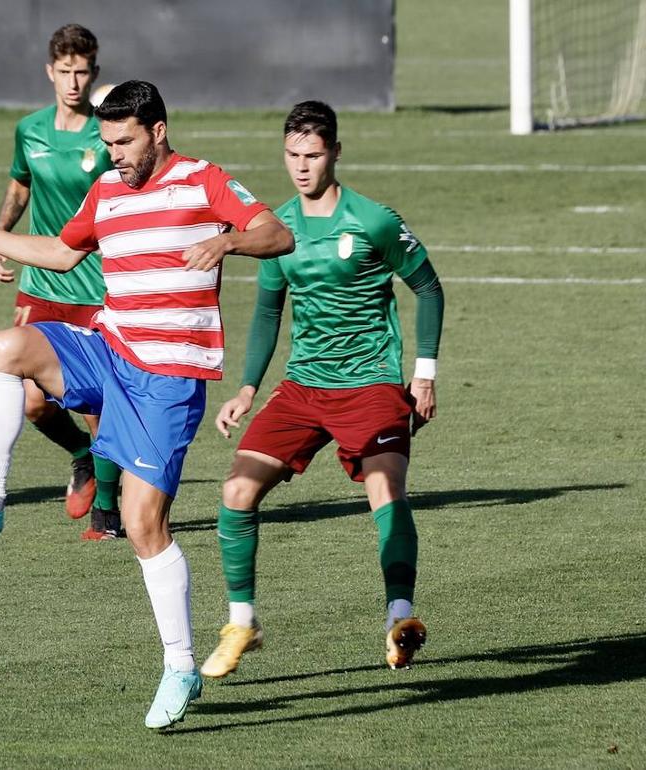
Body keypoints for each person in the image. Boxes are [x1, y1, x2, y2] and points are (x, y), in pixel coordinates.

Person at [0, 81, 294, 728]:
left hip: (168, 379)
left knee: (145, 525)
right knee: (4, 347)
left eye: (125, 141)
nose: (114, 153)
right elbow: (62, 253)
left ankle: (179, 666)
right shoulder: (108, 190)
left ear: (159, 131)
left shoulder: (205, 181)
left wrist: (227, 242)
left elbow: (276, 233)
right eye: (108, 142)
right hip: (110, 347)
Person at [199, 101, 444, 680]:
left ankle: (399, 618)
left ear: (335, 152)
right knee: (236, 491)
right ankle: (241, 623)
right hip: (303, 388)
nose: (302, 167)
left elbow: (429, 289)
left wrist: (425, 372)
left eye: (313, 155)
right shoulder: (275, 231)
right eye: (292, 156)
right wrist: (247, 388)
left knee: (384, 487)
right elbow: (266, 313)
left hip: (372, 385)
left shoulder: (374, 220)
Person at [0, 24, 123, 539]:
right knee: (32, 400)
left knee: (95, 403)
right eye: (65, 72)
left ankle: (107, 513)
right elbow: (20, 186)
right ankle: (82, 457)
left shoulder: (107, 134)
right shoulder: (31, 130)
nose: (73, 81)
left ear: (94, 73)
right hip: (40, 284)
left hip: (94, 287)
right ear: (50, 71)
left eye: (82, 72)